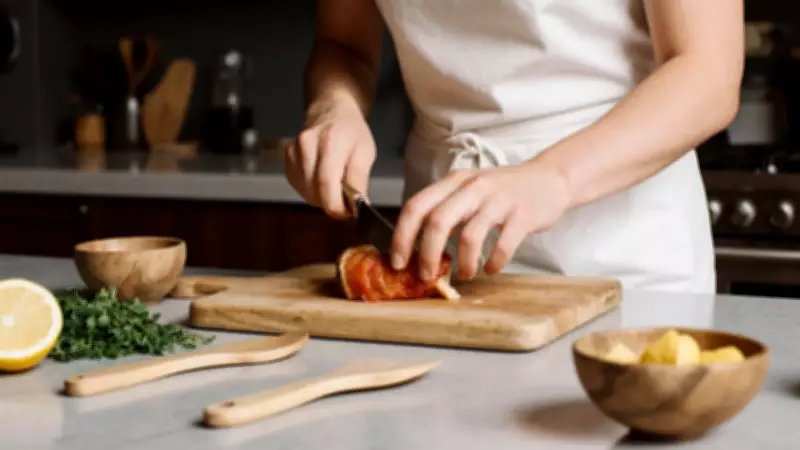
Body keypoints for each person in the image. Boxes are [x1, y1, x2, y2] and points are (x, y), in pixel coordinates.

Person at [285, 0, 744, 293]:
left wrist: (553, 176)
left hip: (624, 250)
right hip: (442, 246)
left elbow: (709, 72)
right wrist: (334, 106)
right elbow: (343, 44)